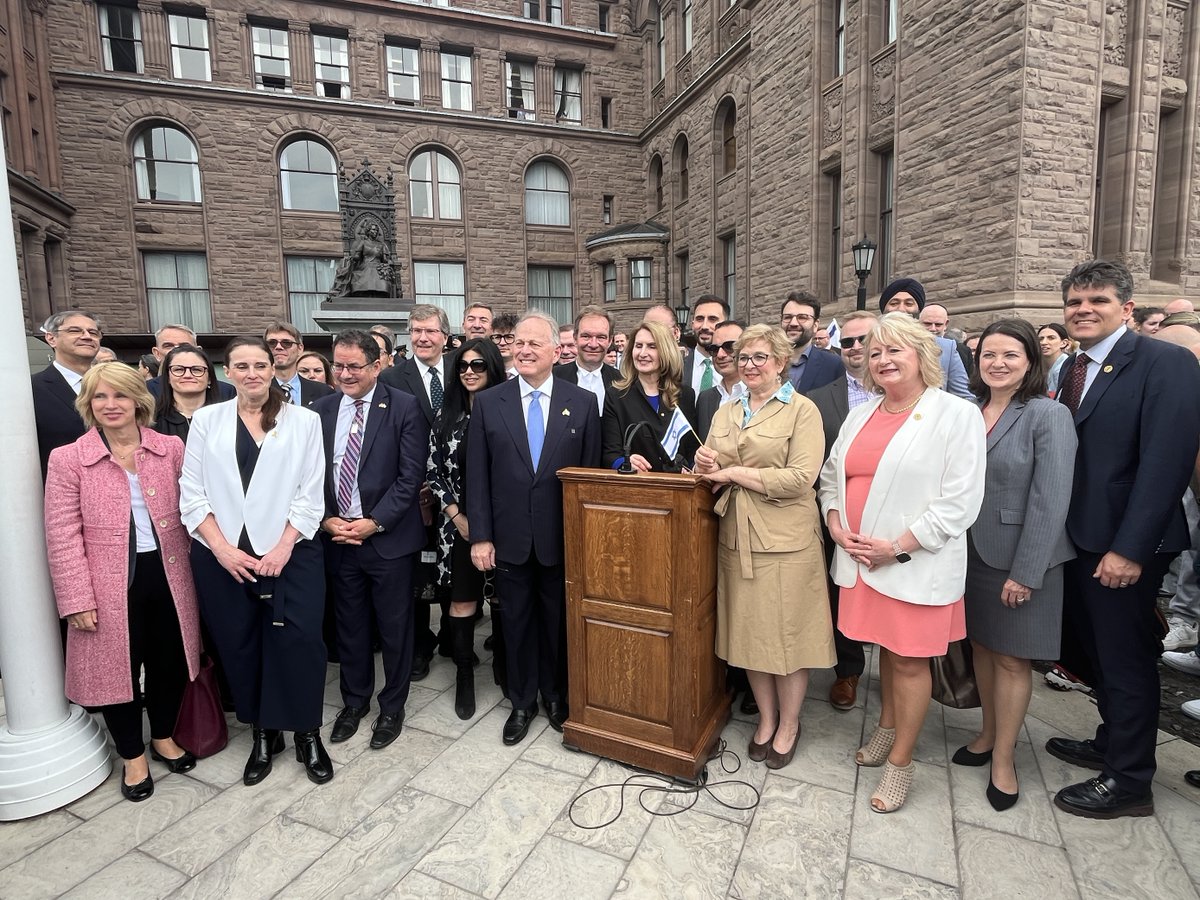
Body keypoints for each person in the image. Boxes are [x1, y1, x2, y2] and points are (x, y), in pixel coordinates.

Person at [1046, 259, 1200, 819]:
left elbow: (1166, 463)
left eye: (1098, 301)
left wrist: (1129, 549)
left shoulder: (1166, 362)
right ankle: (1112, 742)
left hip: (1125, 546)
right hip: (1078, 540)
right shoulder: (1071, 368)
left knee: (1127, 658)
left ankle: (1130, 781)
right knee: (1093, 653)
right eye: (1074, 303)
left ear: (1127, 309)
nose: (1083, 311)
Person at [818, 313, 986, 813]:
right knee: (885, 654)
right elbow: (833, 475)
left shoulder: (956, 414)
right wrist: (833, 523)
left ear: (922, 356)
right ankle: (887, 730)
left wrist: (899, 546)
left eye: (895, 351)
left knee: (911, 661)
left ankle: (901, 764)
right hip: (861, 559)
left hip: (912, 562)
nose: (884, 360)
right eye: (875, 353)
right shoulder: (861, 413)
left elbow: (960, 502)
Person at [44, 362, 202, 802]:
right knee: (117, 671)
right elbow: (61, 533)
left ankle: (164, 735)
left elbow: (196, 507)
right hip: (106, 582)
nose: (110, 405)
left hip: (171, 572)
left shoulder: (170, 448)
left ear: (139, 400)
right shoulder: (69, 458)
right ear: (88, 404)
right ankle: (132, 755)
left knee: (171, 660)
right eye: (100, 396)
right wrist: (76, 597)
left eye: (120, 395)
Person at [180, 336, 332, 787]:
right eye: (241, 366)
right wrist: (222, 549)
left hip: (291, 551)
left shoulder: (303, 420)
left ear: (273, 368)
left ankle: (307, 732)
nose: (251, 374)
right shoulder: (207, 421)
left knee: (301, 643)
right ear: (226, 373)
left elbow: (311, 491)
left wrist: (283, 547)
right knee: (242, 645)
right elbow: (192, 492)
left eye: (260, 365)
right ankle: (264, 734)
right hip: (224, 556)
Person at [693, 324, 834, 770]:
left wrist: (733, 474)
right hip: (736, 533)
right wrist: (706, 462)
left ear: (780, 362)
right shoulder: (726, 407)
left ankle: (790, 723)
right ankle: (767, 718)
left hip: (786, 540)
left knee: (787, 637)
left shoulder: (802, 411)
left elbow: (800, 479)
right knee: (750, 633)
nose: (749, 366)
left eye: (759, 358)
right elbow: (713, 458)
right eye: (743, 358)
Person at [955, 319, 1076, 811]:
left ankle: (1004, 759)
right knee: (982, 649)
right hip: (970, 555)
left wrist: (1026, 572)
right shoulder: (969, 411)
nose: (998, 363)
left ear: (1030, 361)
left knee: (1011, 658)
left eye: (1009, 355)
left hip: (1021, 558)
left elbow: (1052, 498)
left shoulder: (1047, 415)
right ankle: (986, 734)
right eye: (988, 355)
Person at [467, 311, 602, 745]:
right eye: (518, 343)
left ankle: (556, 696)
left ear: (556, 351)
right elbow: (478, 475)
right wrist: (481, 536)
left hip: (562, 539)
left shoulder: (581, 402)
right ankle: (522, 702)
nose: (523, 350)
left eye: (534, 344)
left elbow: (590, 478)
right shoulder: (490, 402)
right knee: (516, 624)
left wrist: (587, 540)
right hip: (507, 541)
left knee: (558, 623)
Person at [315, 330, 428, 750]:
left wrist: (374, 521)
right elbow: (311, 476)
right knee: (350, 627)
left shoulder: (404, 407)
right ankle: (355, 701)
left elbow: (409, 476)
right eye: (338, 365)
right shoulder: (321, 410)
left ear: (376, 366)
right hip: (338, 539)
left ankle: (392, 706)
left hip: (387, 541)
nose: (344, 374)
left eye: (353, 366)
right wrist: (327, 519)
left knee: (395, 628)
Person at [803, 311, 878, 711]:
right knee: (841, 593)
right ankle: (848, 670)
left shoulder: (905, 394)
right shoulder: (819, 399)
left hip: (893, 520)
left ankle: (901, 674)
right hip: (837, 517)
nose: (855, 348)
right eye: (846, 342)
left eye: (863, 339)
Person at [428, 338, 507, 719]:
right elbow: (434, 472)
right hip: (458, 528)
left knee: (504, 602)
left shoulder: (509, 413)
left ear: (492, 368)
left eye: (478, 365)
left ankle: (507, 671)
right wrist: (458, 517)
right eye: (462, 366)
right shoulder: (447, 418)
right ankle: (463, 673)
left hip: (506, 527)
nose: (470, 371)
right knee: (462, 602)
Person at [380, 304, 451, 678]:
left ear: (445, 336)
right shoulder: (392, 377)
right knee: (416, 571)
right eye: (416, 331)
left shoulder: (462, 368)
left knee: (454, 564)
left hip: (456, 490)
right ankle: (420, 644)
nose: (423, 338)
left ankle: (456, 635)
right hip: (412, 490)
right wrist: (414, 485)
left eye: (430, 331)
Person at [601, 320, 700, 473]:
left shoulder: (685, 395)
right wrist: (625, 462)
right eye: (638, 346)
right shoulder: (616, 395)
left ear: (666, 351)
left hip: (677, 490)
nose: (642, 353)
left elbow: (692, 448)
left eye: (652, 346)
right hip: (636, 488)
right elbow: (609, 453)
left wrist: (693, 466)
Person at [32, 310, 101, 479]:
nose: (87, 336)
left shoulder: (116, 386)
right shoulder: (30, 390)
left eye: (93, 332)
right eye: (75, 330)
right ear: (51, 338)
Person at [878, 278, 973, 399]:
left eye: (908, 303)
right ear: (884, 309)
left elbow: (964, 399)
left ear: (918, 310)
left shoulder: (946, 349)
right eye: (894, 303)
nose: (901, 309)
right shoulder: (864, 345)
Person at [554, 306, 619, 415]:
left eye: (601, 337)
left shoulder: (621, 382)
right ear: (575, 338)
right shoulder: (554, 377)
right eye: (586, 336)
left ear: (610, 341)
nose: (593, 344)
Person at [153, 345, 224, 443]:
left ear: (210, 378)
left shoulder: (228, 418)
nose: (187, 375)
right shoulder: (151, 420)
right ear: (168, 377)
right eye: (178, 369)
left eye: (197, 369)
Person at [780, 291, 844, 392]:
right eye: (787, 317)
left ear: (815, 325)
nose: (793, 323)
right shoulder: (764, 361)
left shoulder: (832, 365)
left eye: (802, 318)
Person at [695, 319, 746, 442]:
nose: (720, 354)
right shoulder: (705, 398)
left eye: (729, 347)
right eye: (714, 349)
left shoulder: (761, 394)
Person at [264, 321, 335, 407]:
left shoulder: (323, 392)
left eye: (286, 343)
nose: (278, 347)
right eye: (272, 343)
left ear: (300, 348)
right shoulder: (258, 389)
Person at [683, 295, 730, 394]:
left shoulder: (737, 368)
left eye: (712, 319)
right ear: (692, 324)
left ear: (725, 325)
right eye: (699, 319)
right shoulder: (677, 368)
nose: (704, 326)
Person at [1037, 323, 1071, 397]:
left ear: (1064, 343)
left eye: (1051, 338)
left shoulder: (1066, 367)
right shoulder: (1037, 365)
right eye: (1040, 339)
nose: (1044, 342)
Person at [491, 313, 519, 378]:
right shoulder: (486, 375)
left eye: (509, 337)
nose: (502, 343)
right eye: (497, 337)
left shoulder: (528, 375)